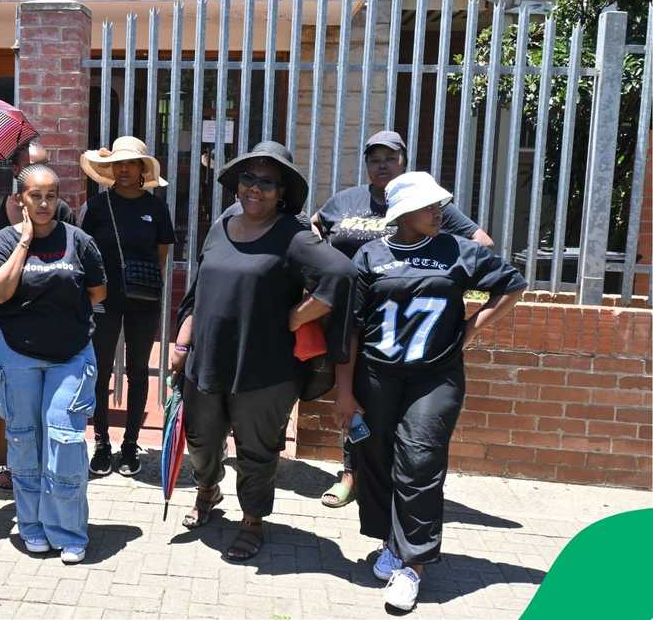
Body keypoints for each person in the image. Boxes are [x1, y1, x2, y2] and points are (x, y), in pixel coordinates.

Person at [336, 172, 525, 611]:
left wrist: (470, 330)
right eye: (429, 206)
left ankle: (412, 566)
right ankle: (392, 542)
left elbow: (512, 284)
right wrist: (344, 393)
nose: (439, 211)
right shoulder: (370, 256)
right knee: (377, 458)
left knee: (419, 461)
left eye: (440, 204)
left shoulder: (457, 251)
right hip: (377, 375)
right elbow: (349, 331)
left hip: (435, 377)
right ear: (402, 212)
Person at [170, 141, 357, 562]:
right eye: (247, 179)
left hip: (265, 369)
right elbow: (201, 291)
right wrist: (182, 341)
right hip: (208, 359)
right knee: (201, 440)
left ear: (282, 192)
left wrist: (295, 317)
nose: (254, 188)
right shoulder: (224, 223)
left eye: (266, 183)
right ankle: (207, 490)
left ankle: (253, 520)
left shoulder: (293, 236)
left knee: (256, 451)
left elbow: (341, 275)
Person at [311, 130, 494, 509]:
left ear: (403, 163)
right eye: (374, 158)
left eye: (390, 158)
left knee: (392, 407)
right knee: (350, 397)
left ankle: (388, 480)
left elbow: (482, 243)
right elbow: (313, 229)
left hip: (403, 325)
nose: (382, 165)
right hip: (352, 317)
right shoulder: (345, 201)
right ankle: (351, 473)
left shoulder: (423, 205)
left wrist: (439, 278)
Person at [0, 164, 106, 564]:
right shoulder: (3, 240)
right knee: (23, 438)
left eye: (51, 195)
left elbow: (97, 290)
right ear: (20, 199)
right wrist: (24, 243)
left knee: (65, 441)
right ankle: (32, 525)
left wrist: (59, 320)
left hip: (69, 356)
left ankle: (68, 530)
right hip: (16, 354)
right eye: (35, 195)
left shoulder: (79, 241)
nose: (44, 203)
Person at [0, 139, 74, 490]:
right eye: (31, 165)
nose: (39, 172)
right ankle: (2, 458)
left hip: (46, 319)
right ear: (17, 171)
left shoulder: (60, 212)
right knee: (4, 393)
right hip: (5, 310)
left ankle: (38, 463)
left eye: (46, 164)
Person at [79, 136, 175, 476]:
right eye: (117, 164)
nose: (123, 170)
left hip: (143, 300)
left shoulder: (156, 208)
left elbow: (161, 253)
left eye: (130, 164)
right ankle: (102, 442)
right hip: (103, 300)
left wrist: (142, 281)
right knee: (101, 370)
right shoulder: (96, 207)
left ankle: (131, 444)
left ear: (142, 170)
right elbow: (84, 251)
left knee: (137, 371)